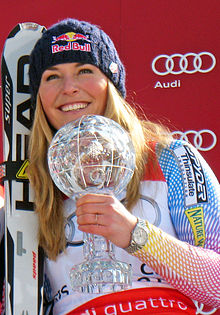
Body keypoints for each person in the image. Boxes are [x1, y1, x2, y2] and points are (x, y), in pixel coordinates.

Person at [2, 18, 220, 314]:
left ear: (112, 84)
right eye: (52, 77)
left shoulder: (171, 158)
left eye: (85, 71)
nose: (69, 88)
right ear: (39, 97)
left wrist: (137, 235)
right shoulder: (28, 191)